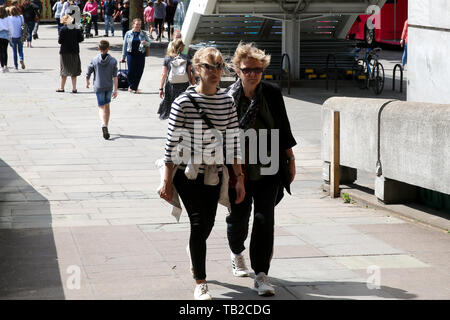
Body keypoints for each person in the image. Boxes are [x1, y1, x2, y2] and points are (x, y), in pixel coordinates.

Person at [159, 46, 245, 300]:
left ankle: (194, 251)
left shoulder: (227, 101)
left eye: (219, 66)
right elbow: (171, 143)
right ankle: (201, 282)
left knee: (206, 223)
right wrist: (166, 181)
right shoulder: (183, 102)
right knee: (198, 223)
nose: (216, 71)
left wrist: (238, 179)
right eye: (209, 66)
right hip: (187, 172)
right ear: (196, 69)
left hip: (215, 171)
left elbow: (233, 142)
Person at [225, 42, 297, 297]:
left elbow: (283, 126)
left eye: (257, 69)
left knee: (264, 219)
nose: (252, 74)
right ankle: (236, 252)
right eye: (247, 70)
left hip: (268, 163)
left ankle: (261, 274)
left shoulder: (272, 93)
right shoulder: (227, 97)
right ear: (237, 70)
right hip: (238, 165)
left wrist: (290, 158)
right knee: (238, 218)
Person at [86, 40, 118, 140]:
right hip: (108, 86)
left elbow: (89, 71)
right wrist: (116, 89)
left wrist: (87, 81)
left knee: (101, 107)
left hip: (98, 86)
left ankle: (103, 124)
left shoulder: (95, 60)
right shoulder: (113, 61)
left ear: (99, 48)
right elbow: (115, 76)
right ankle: (106, 126)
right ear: (108, 48)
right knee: (107, 106)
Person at [157, 38, 194, 120]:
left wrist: (161, 88)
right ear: (181, 47)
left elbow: (163, 74)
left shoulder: (167, 58)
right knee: (183, 102)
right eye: (183, 45)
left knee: (171, 102)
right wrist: (193, 85)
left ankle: (171, 117)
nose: (184, 46)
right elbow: (189, 74)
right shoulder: (186, 58)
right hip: (184, 84)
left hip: (171, 85)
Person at [121, 18, 150, 93]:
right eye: (136, 24)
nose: (138, 26)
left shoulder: (143, 33)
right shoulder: (128, 33)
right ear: (133, 24)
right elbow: (124, 45)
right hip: (130, 54)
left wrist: (145, 43)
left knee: (139, 71)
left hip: (140, 54)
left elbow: (149, 43)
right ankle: (132, 87)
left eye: (139, 24)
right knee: (131, 71)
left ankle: (134, 87)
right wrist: (123, 57)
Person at [56, 14, 84, 93]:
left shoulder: (62, 29)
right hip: (74, 51)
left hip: (64, 51)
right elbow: (81, 39)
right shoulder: (76, 28)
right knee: (74, 70)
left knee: (64, 69)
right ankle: (74, 88)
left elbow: (60, 41)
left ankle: (62, 87)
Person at [8, 6, 26, 70]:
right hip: (20, 36)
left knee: (14, 52)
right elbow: (23, 25)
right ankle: (21, 59)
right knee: (20, 50)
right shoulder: (21, 17)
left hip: (12, 37)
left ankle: (16, 65)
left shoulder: (9, 18)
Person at [0, 5, 13, 73]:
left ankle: (2, 67)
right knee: (5, 51)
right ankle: (5, 65)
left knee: (0, 52)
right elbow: (10, 27)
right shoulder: (8, 18)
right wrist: (11, 35)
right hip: (6, 35)